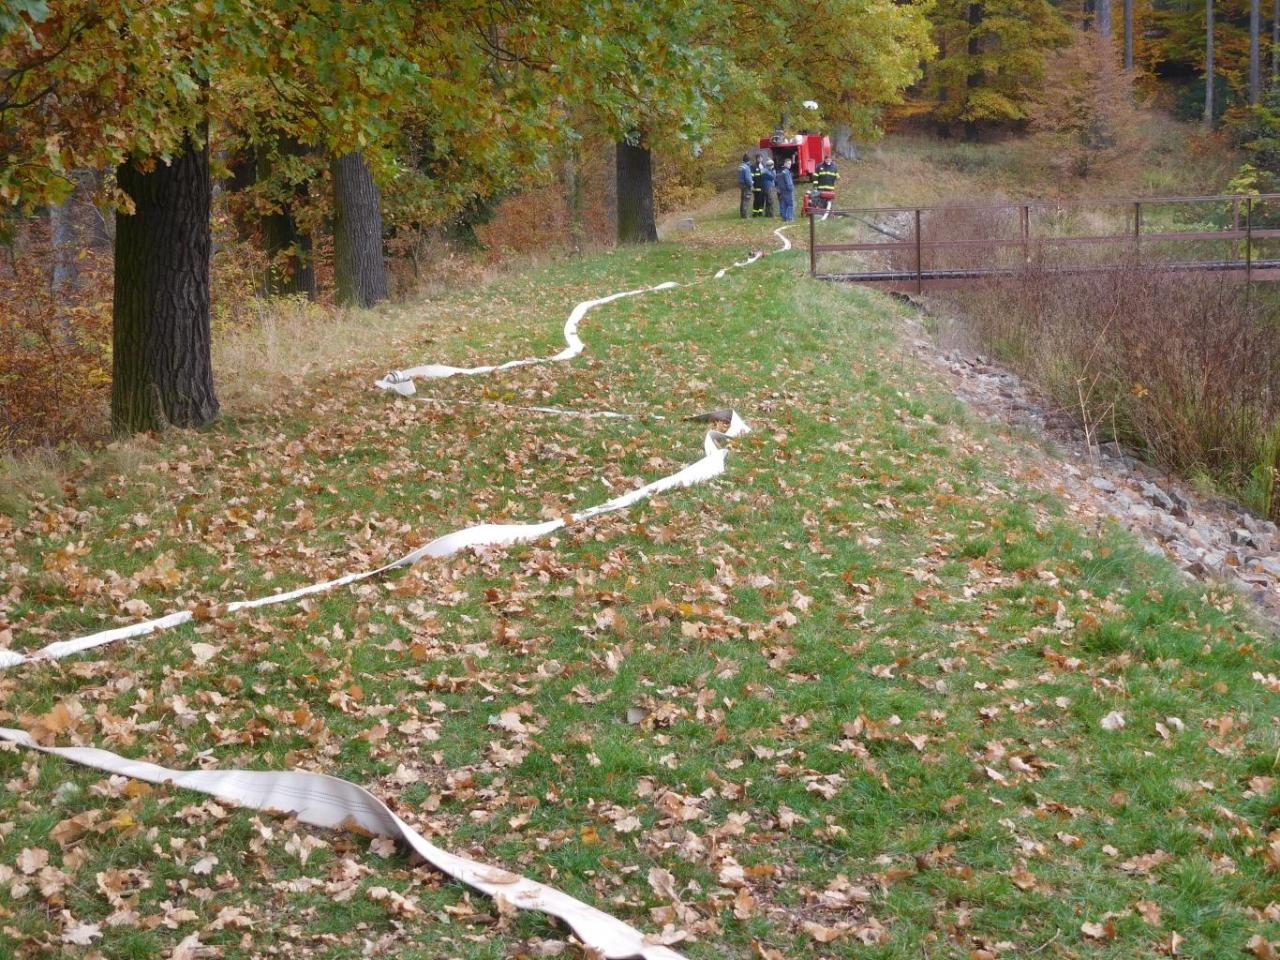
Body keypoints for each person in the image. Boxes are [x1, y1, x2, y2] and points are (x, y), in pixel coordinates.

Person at [776, 157, 795, 221]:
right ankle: (789, 218)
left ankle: (784, 218)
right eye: (788, 163)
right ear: (785, 163)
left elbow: (777, 180)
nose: (790, 165)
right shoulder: (786, 172)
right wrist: (791, 188)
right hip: (788, 190)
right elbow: (788, 182)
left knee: (784, 204)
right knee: (790, 204)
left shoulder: (780, 171)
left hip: (782, 190)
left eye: (790, 164)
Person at [737, 153, 753, 219]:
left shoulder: (740, 166)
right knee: (746, 200)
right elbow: (747, 178)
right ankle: (745, 216)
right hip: (746, 185)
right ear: (748, 160)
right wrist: (751, 185)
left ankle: (742, 214)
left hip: (741, 185)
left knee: (743, 200)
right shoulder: (746, 167)